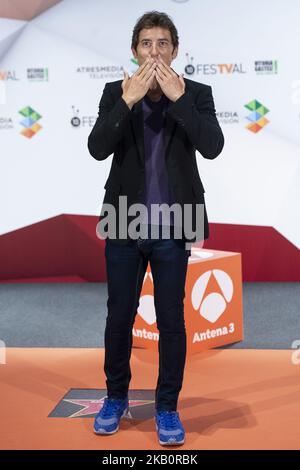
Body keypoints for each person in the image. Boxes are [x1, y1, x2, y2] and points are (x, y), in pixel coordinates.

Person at [87, 11, 224, 446]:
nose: (154, 52)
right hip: (123, 221)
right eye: (146, 44)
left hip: (175, 225)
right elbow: (96, 148)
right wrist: (127, 101)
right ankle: (115, 398)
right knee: (119, 317)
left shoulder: (196, 93)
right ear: (134, 51)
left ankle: (167, 407)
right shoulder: (115, 92)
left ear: (175, 50)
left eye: (163, 44)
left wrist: (179, 100)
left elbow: (213, 146)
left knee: (171, 320)